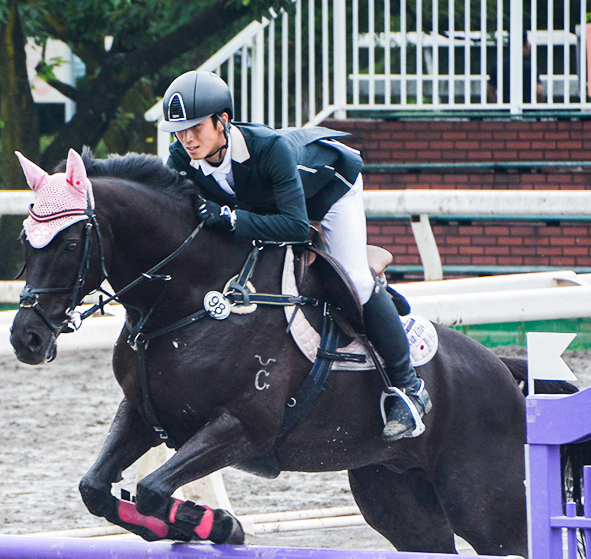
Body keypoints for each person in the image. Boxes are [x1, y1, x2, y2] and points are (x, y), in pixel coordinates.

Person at [158, 70, 430, 441]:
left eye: (196, 128)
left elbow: (297, 227)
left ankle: (409, 388)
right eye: (179, 131)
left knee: (355, 280)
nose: (187, 139)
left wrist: (233, 218)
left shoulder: (269, 149)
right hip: (271, 204)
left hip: (330, 191)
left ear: (222, 120)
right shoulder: (181, 157)